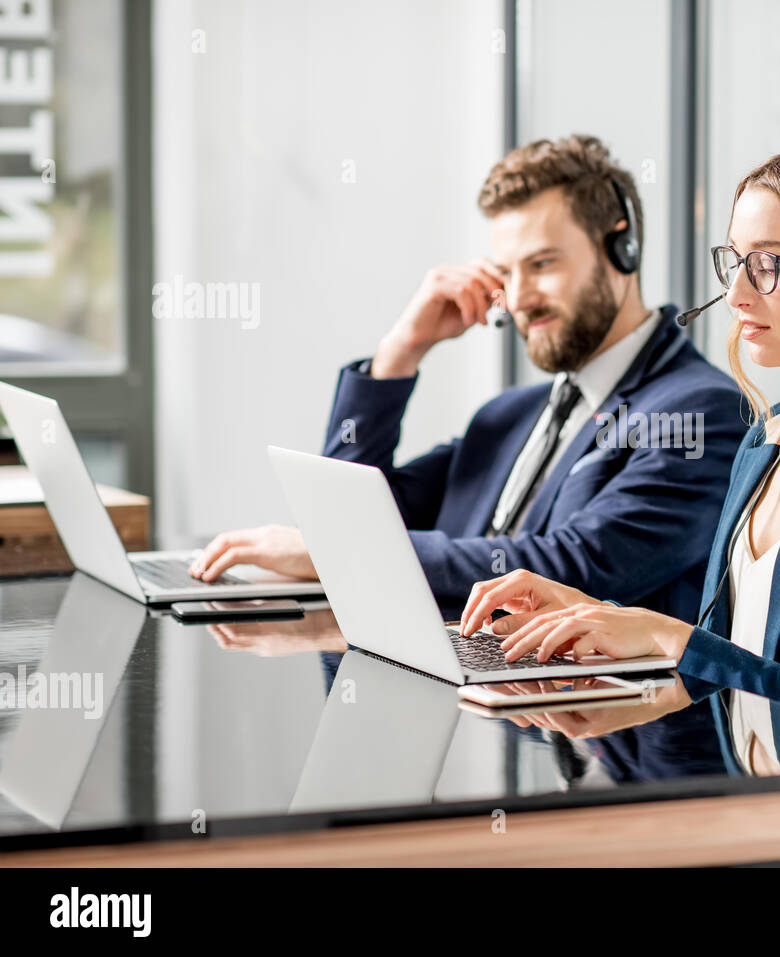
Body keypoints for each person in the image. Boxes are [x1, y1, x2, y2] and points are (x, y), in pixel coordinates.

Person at [459, 107, 780, 866]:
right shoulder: (765, 440)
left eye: (770, 264)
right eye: (734, 261)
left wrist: (674, 639)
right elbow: (721, 663)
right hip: (766, 834)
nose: (738, 297)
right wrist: (598, 636)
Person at [189, 134, 749, 782]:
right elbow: (353, 512)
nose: (518, 298)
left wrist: (344, 557)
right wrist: (401, 351)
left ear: (620, 247)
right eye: (505, 273)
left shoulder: (699, 411)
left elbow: (580, 565)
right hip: (487, 738)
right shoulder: (509, 415)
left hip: (625, 779)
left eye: (542, 264)